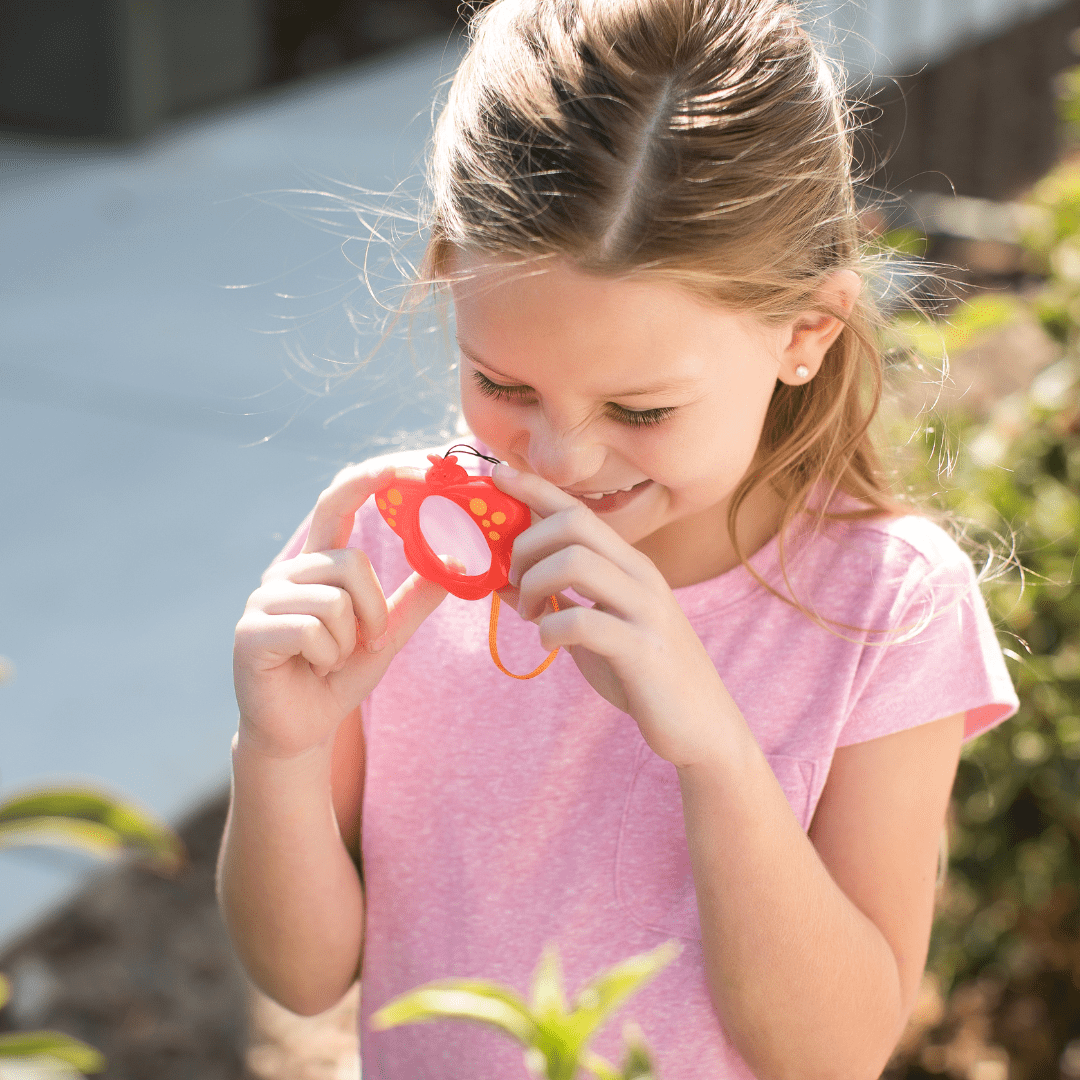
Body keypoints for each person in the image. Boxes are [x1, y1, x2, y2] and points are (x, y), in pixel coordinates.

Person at [218, 1, 1020, 1077]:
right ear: (454, 277)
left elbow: (833, 1054)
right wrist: (278, 752)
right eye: (503, 384)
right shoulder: (398, 546)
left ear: (806, 333)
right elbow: (302, 976)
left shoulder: (887, 608)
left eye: (640, 412)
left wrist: (714, 751)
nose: (561, 460)